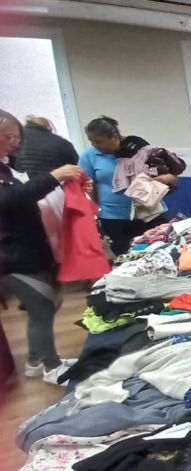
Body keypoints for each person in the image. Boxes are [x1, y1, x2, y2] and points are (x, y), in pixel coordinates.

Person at [0, 109, 85, 384]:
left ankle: (36, 361)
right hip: (11, 254)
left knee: (47, 303)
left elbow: (24, 196)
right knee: (42, 305)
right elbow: (12, 199)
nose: (14, 142)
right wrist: (54, 176)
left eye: (16, 136)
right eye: (8, 137)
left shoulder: (6, 167)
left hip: (27, 248)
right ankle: (51, 366)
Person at [79, 116, 173, 255]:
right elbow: (87, 186)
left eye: (99, 141)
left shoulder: (138, 148)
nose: (94, 145)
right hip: (113, 217)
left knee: (160, 251)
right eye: (91, 141)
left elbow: (169, 174)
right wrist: (98, 207)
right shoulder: (89, 156)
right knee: (125, 256)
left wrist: (163, 179)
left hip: (149, 212)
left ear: (114, 137)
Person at [13, 115, 78, 177]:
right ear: (48, 127)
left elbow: (15, 164)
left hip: (26, 182)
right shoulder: (61, 142)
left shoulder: (16, 139)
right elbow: (76, 167)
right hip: (55, 181)